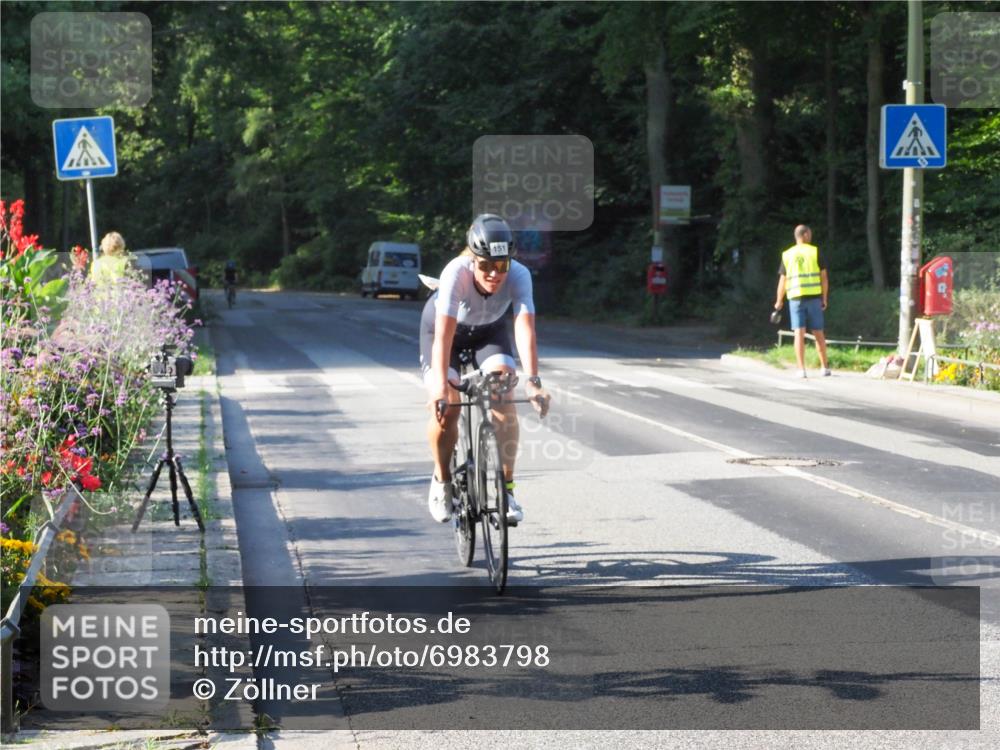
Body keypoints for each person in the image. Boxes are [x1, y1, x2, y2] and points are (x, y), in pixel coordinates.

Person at [421, 214, 550, 525]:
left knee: (503, 396)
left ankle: (506, 491)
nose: (494, 273)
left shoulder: (520, 275)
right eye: (485, 266)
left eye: (501, 265)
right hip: (444, 335)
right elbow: (443, 337)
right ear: (473, 260)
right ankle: (441, 480)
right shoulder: (456, 273)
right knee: (448, 407)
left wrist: (533, 382)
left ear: (510, 261)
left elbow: (524, 327)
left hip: (488, 333)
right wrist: (440, 385)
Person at [773, 224, 830, 378]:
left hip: (795, 299)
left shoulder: (787, 254)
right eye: (809, 233)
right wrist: (824, 298)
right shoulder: (815, 251)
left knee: (799, 333)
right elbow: (823, 278)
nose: (810, 236)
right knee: (818, 333)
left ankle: (801, 369)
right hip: (813, 298)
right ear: (805, 235)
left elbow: (782, 281)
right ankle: (824, 367)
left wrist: (779, 300)